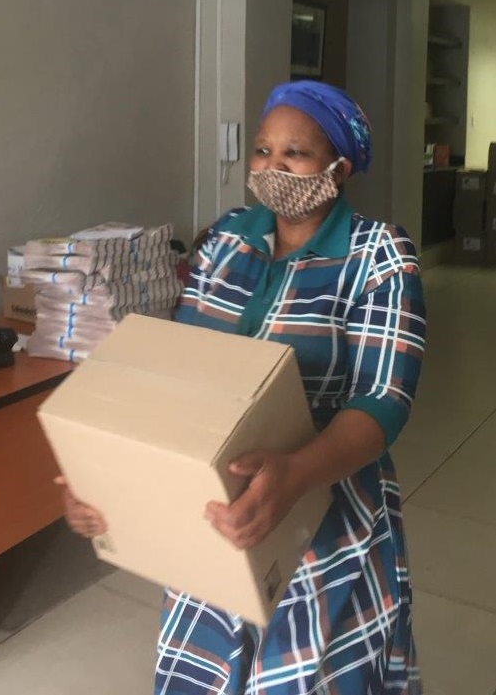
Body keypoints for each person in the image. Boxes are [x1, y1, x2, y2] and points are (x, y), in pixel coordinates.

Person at [56, 80, 427, 694]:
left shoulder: (380, 255)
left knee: (311, 676)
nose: (272, 167)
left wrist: (298, 474)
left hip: (325, 511)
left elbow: (383, 401)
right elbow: (174, 368)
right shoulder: (226, 239)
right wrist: (108, 482)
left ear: (340, 167)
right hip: (213, 509)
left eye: (295, 154)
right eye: (262, 150)